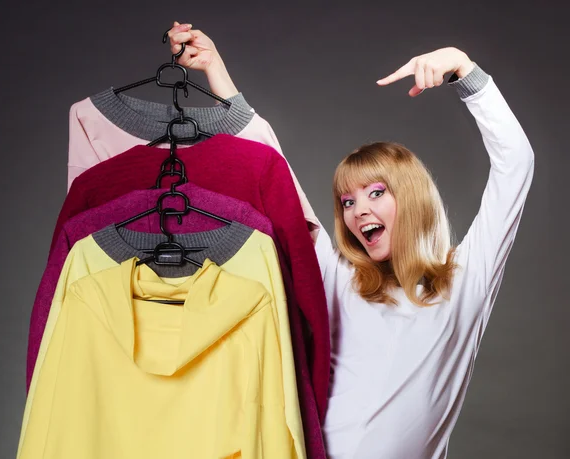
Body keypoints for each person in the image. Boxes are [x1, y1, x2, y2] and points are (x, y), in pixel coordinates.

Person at [167, 23, 535, 459]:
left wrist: (462, 67)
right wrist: (215, 69)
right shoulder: (338, 278)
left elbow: (516, 163)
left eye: (376, 193)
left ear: (412, 197)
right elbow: (273, 167)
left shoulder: (466, 280)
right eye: (346, 201)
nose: (358, 210)